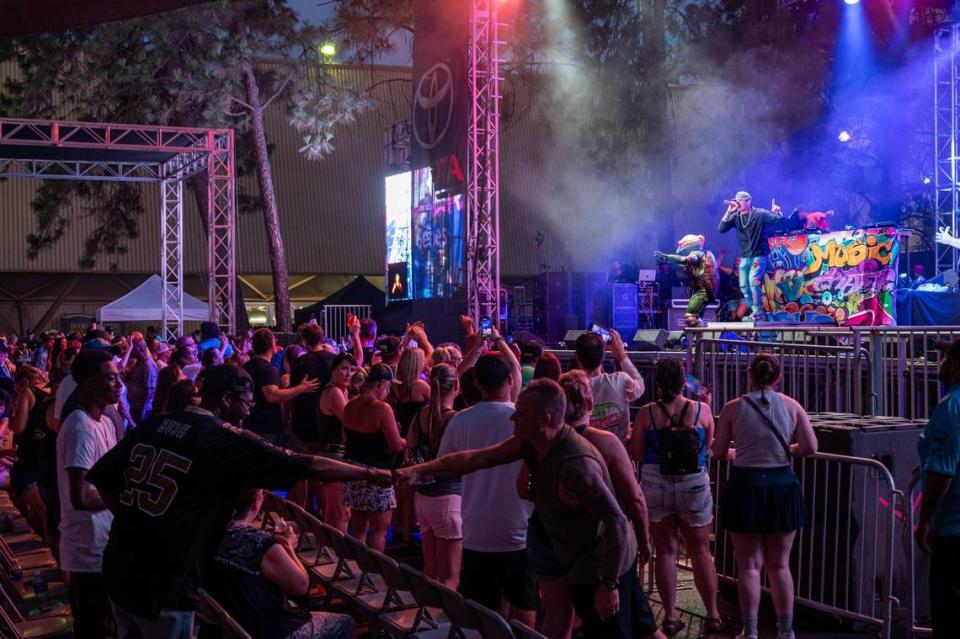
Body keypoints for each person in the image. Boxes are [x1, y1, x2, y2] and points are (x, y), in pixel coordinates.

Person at [86, 364, 390, 638]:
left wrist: (136, 521)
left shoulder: (158, 423)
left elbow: (105, 480)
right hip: (163, 585)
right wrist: (371, 473)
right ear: (226, 399)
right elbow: (307, 464)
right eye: (246, 403)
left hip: (119, 566)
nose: (249, 412)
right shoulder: (224, 437)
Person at [713, 353, 818, 639]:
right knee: (780, 564)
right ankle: (786, 632)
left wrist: (738, 453)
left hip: (745, 486)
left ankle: (750, 631)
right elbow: (810, 446)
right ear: (778, 377)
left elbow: (720, 453)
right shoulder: (792, 406)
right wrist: (789, 450)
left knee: (748, 565)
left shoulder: (732, 409)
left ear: (749, 374)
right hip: (782, 485)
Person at [435, 348, 536, 627]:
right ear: (510, 382)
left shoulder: (460, 420)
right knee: (523, 602)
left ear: (477, 384)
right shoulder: (522, 419)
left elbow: (446, 466)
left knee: (485, 611)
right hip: (518, 528)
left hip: (476, 528)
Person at [630, 360, 721, 636]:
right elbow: (707, 448)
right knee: (701, 551)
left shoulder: (647, 413)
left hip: (656, 485)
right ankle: (714, 615)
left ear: (657, 382)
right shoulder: (701, 410)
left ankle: (670, 617)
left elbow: (636, 452)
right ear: (684, 381)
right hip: (693, 484)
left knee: (665, 551)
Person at [206, 488, 353, 639]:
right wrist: (289, 548)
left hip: (231, 622)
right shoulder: (260, 543)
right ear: (255, 502)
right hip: (268, 629)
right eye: (263, 494)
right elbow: (301, 586)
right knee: (346, 622)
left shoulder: (208, 534)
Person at [57, 349, 121, 638]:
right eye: (109, 379)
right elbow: (80, 497)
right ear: (87, 385)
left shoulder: (105, 421)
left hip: (104, 543)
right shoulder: (80, 427)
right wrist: (124, 501)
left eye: (118, 377)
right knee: (95, 628)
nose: (118, 384)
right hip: (88, 549)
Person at [916, 338, 960, 638]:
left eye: (945, 356)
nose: (941, 362)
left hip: (953, 532)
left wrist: (925, 521)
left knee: (949, 616)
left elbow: (942, 474)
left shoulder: (951, 407)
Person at [341, 363, 406, 552]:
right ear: (381, 384)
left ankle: (361, 571)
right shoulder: (382, 408)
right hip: (378, 474)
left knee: (359, 529)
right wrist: (406, 440)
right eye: (389, 386)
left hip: (353, 472)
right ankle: (375, 575)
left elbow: (345, 439)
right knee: (379, 532)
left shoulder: (350, 405)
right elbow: (395, 445)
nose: (389, 390)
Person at [408, 363, 461, 589]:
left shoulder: (421, 415)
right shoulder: (455, 419)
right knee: (450, 577)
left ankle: (428, 619)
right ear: (456, 386)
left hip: (423, 498)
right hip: (448, 499)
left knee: (431, 571)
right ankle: (445, 622)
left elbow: (409, 451)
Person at [243, 328, 319, 446]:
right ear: (271, 345)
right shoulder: (268, 369)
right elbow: (272, 395)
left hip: (250, 424)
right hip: (266, 428)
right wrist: (301, 387)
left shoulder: (247, 366)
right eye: (274, 341)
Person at [717, 191, 783, 321]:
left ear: (748, 201)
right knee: (743, 285)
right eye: (736, 200)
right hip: (745, 257)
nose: (737, 203)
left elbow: (777, 221)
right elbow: (721, 229)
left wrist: (777, 212)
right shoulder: (736, 216)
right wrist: (729, 210)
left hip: (759, 255)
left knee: (753, 280)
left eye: (740, 200)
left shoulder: (760, 213)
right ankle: (755, 311)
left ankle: (758, 311)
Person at [574, 330, 644, 443]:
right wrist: (621, 354)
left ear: (577, 357)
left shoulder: (572, 387)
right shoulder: (620, 380)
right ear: (603, 354)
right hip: (621, 453)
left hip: (589, 455)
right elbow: (640, 386)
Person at [314, 353, 356, 531]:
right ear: (333, 370)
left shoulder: (341, 391)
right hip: (334, 456)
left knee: (333, 512)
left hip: (331, 454)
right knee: (341, 513)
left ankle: (331, 552)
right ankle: (341, 556)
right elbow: (352, 421)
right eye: (344, 369)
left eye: (352, 370)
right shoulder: (334, 392)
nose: (349, 374)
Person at [654, 234, 719, 327]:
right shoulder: (705, 254)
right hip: (707, 290)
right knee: (696, 318)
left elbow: (685, 260)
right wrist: (668, 261)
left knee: (690, 316)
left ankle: (691, 338)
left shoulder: (696, 254)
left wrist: (667, 257)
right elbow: (683, 268)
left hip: (702, 290)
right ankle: (698, 335)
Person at [125, 336, 159, 424]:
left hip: (142, 409)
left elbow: (151, 390)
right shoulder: (140, 362)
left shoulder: (148, 365)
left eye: (133, 348)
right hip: (135, 406)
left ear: (139, 349)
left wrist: (143, 410)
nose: (131, 351)